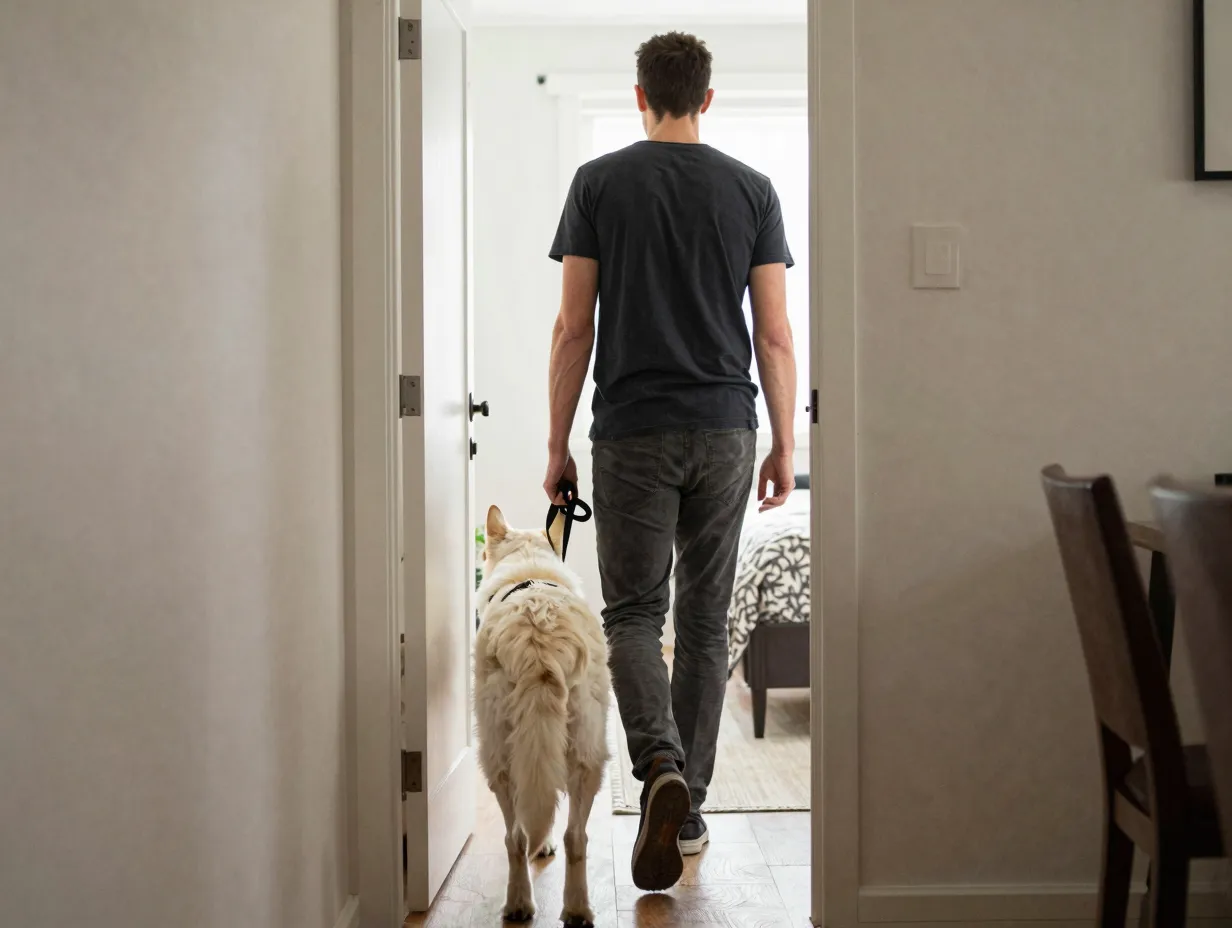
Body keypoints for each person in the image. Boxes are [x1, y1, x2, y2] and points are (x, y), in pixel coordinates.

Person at [543, 31, 798, 892]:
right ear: (708, 99)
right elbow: (774, 331)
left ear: (640, 94)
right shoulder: (752, 189)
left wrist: (555, 444)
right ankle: (687, 814)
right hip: (728, 427)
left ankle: (658, 766)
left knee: (630, 614)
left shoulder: (599, 184)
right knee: (703, 616)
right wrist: (788, 446)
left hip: (630, 430)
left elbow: (574, 327)